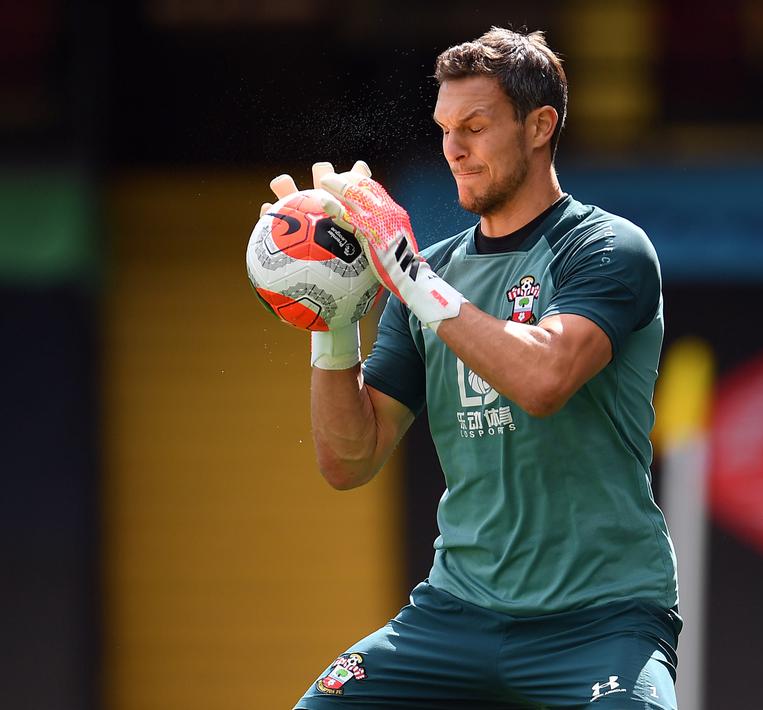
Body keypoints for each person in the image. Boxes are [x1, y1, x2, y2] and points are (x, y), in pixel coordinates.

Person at [263, 27, 681, 709]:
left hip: (600, 620)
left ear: (540, 125)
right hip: (454, 615)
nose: (453, 149)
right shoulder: (432, 278)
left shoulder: (605, 248)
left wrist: (408, 274)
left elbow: (543, 381)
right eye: (445, 128)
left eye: (476, 127)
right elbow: (350, 460)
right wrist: (332, 319)